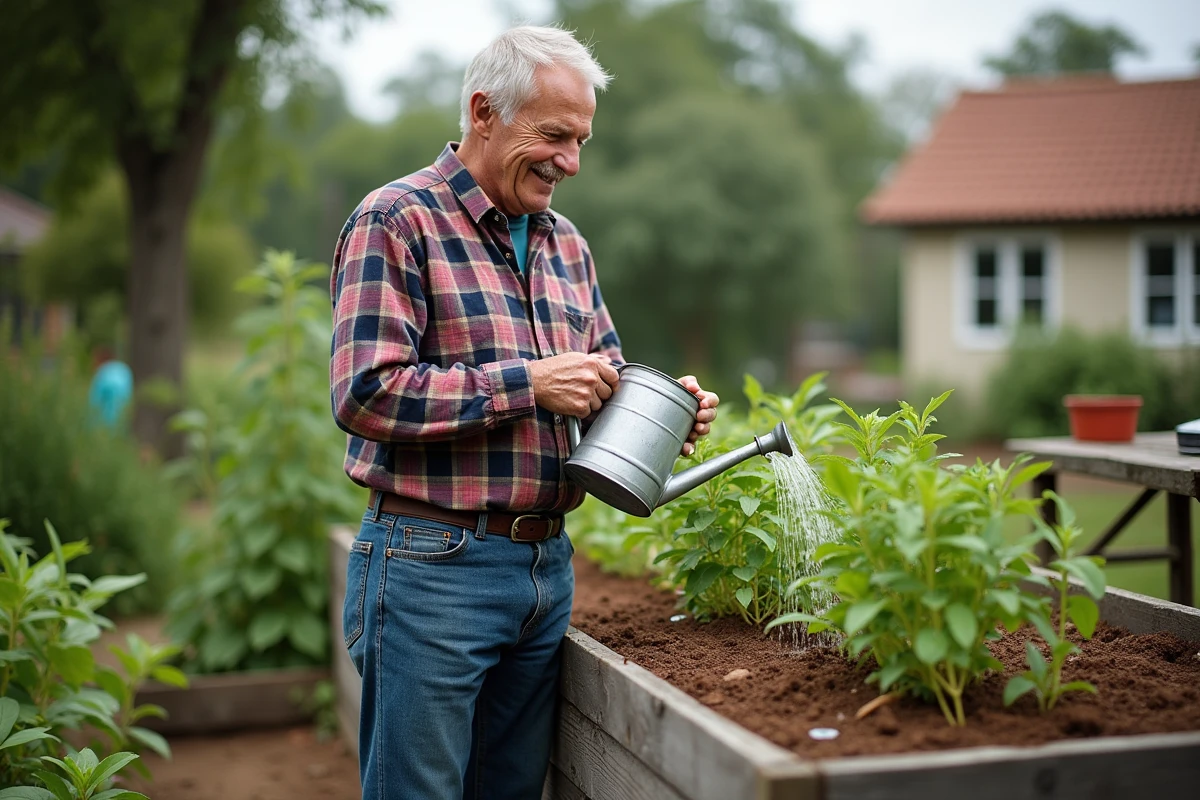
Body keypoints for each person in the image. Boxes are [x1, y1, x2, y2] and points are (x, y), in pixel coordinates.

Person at [329, 25, 719, 800]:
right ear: (483, 113)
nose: (570, 162)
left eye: (581, 141)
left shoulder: (565, 243)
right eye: (554, 136)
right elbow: (365, 391)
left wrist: (663, 413)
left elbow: (599, 379)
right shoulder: (396, 220)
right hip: (431, 568)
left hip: (544, 572)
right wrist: (527, 384)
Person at [87, 346, 133, 430]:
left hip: (103, 424)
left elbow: (94, 402)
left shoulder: (102, 373)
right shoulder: (124, 369)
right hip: (122, 422)